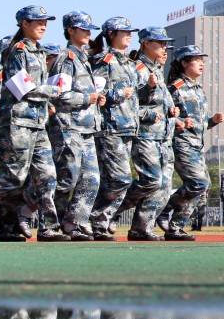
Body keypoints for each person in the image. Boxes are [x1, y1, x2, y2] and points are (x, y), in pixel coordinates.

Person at [0, 6, 67, 242]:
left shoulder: (39, 52)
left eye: (45, 21)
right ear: (24, 24)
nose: (43, 25)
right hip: (19, 122)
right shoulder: (17, 51)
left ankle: (49, 227)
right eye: (37, 21)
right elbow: (22, 89)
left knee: (48, 176)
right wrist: (53, 92)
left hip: (38, 123)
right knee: (15, 176)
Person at [48, 12, 103, 241]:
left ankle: (75, 223)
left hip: (86, 129)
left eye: (90, 29)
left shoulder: (83, 59)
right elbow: (58, 95)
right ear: (71, 30)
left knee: (92, 179)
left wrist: (95, 99)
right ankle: (36, 214)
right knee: (66, 179)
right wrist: (86, 99)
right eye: (84, 29)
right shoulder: (66, 58)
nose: (89, 33)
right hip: (68, 127)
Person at [119, 27, 176, 241]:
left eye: (165, 44)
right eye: (159, 43)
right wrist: (151, 113)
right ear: (145, 44)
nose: (164, 47)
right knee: (151, 180)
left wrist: (172, 112)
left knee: (162, 185)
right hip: (145, 135)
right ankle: (106, 210)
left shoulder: (157, 70)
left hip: (162, 137)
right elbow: (128, 105)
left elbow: (159, 104)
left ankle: (141, 228)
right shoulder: (138, 69)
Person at [161, 45, 223, 240]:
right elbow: (164, 115)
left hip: (197, 145)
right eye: (196, 59)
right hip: (181, 143)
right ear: (184, 63)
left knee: (203, 187)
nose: (202, 63)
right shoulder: (174, 88)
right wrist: (178, 122)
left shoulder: (197, 89)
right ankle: (165, 212)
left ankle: (174, 226)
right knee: (198, 183)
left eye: (202, 59)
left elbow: (199, 123)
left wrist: (212, 121)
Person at [90, 17, 140, 241]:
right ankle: (98, 220)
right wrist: (119, 94)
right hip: (110, 128)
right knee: (120, 179)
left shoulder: (129, 63)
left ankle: (98, 221)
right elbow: (97, 94)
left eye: (131, 32)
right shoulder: (104, 61)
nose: (129, 35)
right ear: (111, 34)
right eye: (124, 32)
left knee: (116, 180)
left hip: (127, 128)